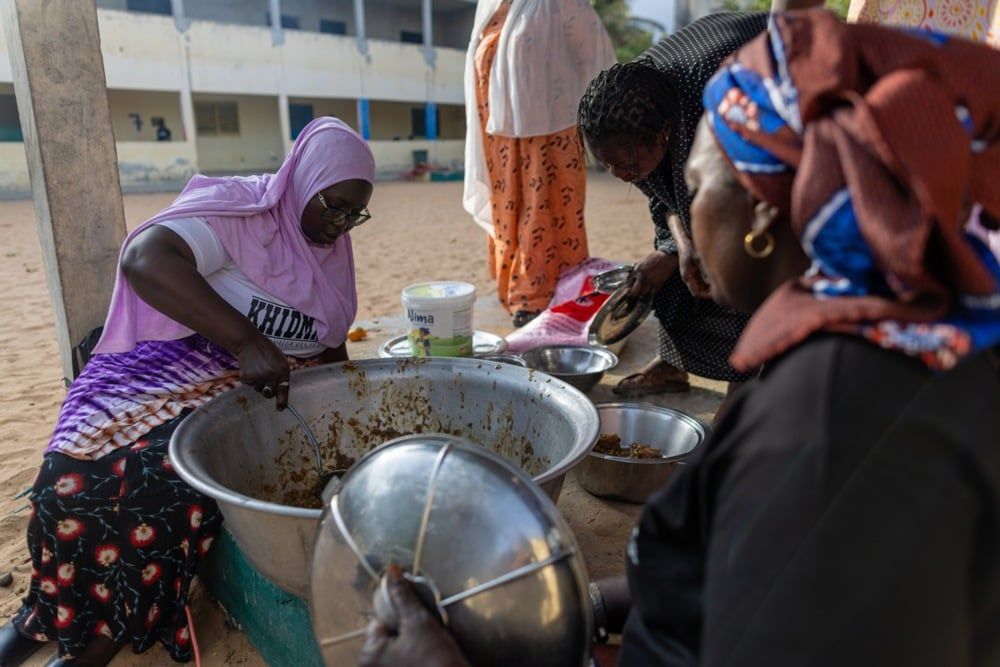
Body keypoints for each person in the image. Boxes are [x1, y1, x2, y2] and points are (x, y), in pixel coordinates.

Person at [357, 10, 1000, 666]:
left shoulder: (831, 434)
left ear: (765, 209)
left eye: (695, 187)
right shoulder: (881, 357)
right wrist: (590, 603)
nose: (685, 213)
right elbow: (733, 577)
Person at [0, 117, 375, 666]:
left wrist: (346, 409)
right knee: (68, 474)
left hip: (253, 385)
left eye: (353, 214)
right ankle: (45, 616)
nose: (339, 226)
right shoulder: (240, 213)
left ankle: (102, 639)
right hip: (170, 356)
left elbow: (332, 346)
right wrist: (245, 339)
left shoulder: (331, 258)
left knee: (166, 479)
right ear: (302, 180)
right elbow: (146, 260)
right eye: (331, 206)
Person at [576, 11, 767, 399]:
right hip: (689, 116)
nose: (616, 173)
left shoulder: (721, 103)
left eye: (625, 163)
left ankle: (746, 381)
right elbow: (668, 200)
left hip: (768, 124)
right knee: (664, 270)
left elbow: (748, 202)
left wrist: (704, 248)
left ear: (664, 135)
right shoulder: (628, 109)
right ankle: (672, 365)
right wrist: (678, 247)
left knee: (738, 262)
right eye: (605, 163)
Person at [463, 0, 615, 328]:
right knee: (508, 212)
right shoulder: (493, 4)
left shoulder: (561, 3)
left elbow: (598, 59)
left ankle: (538, 296)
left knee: (544, 208)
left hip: (550, 130)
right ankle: (519, 291)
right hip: (499, 134)